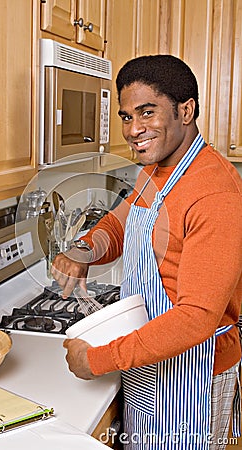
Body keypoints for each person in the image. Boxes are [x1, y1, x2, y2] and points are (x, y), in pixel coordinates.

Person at [51, 55, 242, 449]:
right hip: (150, 364)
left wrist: (98, 359)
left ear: (185, 110)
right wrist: (84, 249)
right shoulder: (156, 171)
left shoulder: (215, 193)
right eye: (125, 116)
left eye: (147, 112)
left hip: (197, 379)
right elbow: (118, 226)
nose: (133, 130)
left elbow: (195, 319)